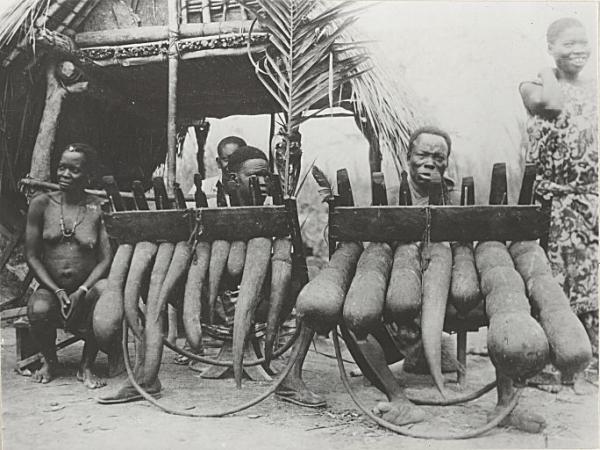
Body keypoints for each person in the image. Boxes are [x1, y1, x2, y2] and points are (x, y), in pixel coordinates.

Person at [519, 17, 598, 389]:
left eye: (584, 42)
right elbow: (551, 105)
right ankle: (549, 364)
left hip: (591, 201)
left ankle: (588, 363)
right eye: (568, 44)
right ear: (549, 47)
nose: (579, 49)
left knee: (592, 282)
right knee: (552, 282)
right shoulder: (533, 86)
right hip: (551, 202)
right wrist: (549, 72)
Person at [25, 143, 121, 389]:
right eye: (62, 168)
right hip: (52, 290)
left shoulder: (97, 207)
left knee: (105, 289)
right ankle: (50, 361)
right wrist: (57, 291)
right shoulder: (41, 204)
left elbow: (105, 259)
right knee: (38, 308)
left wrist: (82, 290)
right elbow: (32, 256)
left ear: (88, 175)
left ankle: (86, 365)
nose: (65, 175)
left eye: (74, 170)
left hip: (86, 293)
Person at [188, 136, 246, 204]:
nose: (232, 164)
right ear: (218, 163)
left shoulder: (254, 188)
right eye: (226, 159)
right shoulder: (203, 188)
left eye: (237, 159)